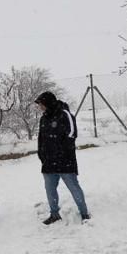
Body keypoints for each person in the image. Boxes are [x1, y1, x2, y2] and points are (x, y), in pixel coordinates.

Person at [35, 91, 90, 224]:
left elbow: (72, 134)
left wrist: (61, 151)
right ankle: (54, 214)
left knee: (74, 188)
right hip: (48, 162)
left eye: (41, 104)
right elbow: (41, 138)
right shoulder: (44, 118)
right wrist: (41, 154)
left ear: (47, 103)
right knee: (50, 190)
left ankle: (84, 214)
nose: (39, 107)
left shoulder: (65, 114)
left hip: (65, 161)